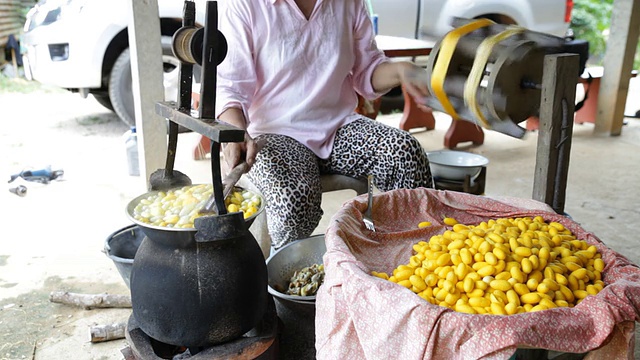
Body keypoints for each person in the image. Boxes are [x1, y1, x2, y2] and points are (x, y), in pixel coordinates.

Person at [216, 0, 434, 250]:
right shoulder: (245, 5)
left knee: (404, 152)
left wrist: (401, 71)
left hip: (338, 127)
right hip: (273, 133)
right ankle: (285, 277)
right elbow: (230, 88)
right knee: (293, 197)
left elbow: (367, 70)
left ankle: (413, 259)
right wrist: (235, 132)